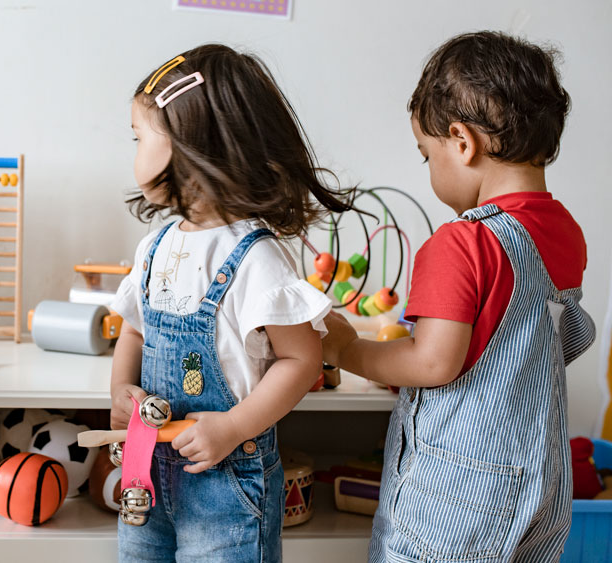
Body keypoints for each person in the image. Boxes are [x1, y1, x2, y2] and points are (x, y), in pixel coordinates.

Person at [322, 31, 595, 562]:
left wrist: (344, 350)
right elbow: (529, 346)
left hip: (460, 497)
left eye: (427, 155)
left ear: (461, 141)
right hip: (541, 483)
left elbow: (432, 362)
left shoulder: (461, 241)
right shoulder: (565, 232)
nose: (428, 169)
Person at [110, 44, 351, 561]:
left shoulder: (254, 256)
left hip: (226, 486)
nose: (132, 152)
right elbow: (134, 330)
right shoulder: (156, 245)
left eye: (138, 138)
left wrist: (234, 427)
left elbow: (301, 358)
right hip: (145, 471)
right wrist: (120, 391)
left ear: (188, 144)